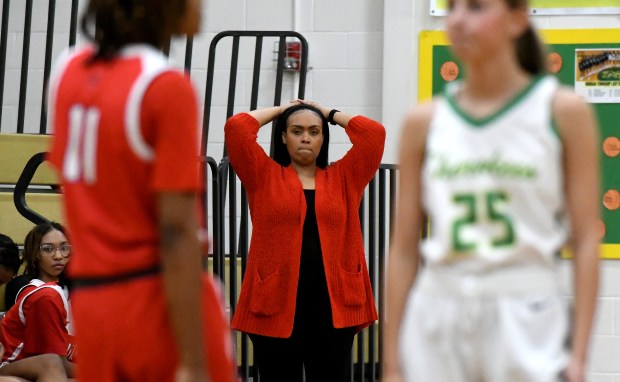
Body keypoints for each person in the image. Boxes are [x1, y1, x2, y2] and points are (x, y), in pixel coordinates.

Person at [383, 0, 600, 382]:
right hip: (437, 307)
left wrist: (579, 355)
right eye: (451, 8)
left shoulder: (562, 111)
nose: (458, 20)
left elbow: (584, 241)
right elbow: (403, 249)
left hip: (524, 307)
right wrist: (392, 364)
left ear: (518, 19)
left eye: (476, 7)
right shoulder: (424, 121)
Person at [46, 0, 236, 381]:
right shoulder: (166, 86)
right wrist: (194, 363)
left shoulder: (67, 70)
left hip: (92, 306)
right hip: (155, 305)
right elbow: (175, 230)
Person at [224, 99, 385, 381]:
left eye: (314, 131)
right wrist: (283, 110)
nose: (306, 138)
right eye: (297, 131)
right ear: (284, 137)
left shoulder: (344, 178)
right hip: (274, 304)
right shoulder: (263, 176)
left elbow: (373, 134)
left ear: (323, 138)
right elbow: (237, 128)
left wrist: (327, 113)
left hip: (333, 307)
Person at [0, 222, 75, 380]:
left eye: (64, 248)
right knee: (52, 362)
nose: (58, 256)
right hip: (13, 365)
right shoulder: (45, 296)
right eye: (48, 249)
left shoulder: (70, 291)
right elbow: (55, 361)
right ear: (35, 254)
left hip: (47, 364)